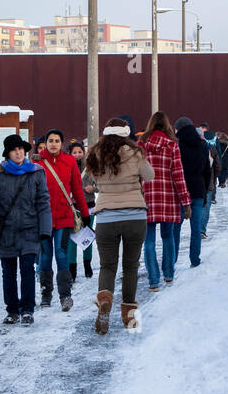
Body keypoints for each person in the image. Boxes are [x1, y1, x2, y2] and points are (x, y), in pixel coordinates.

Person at [86, 118, 154, 334]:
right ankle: (130, 320)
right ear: (126, 134)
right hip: (135, 216)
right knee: (131, 266)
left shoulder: (95, 154)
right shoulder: (136, 153)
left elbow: (89, 179)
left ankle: (105, 298)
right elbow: (150, 176)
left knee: (108, 266)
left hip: (106, 217)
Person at [0, 134, 51, 325]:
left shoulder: (37, 172)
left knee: (27, 268)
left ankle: (27, 309)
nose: (18, 153)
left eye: (21, 149)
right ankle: (12, 310)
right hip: (5, 231)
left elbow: (43, 202)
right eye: (14, 150)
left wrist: (45, 229)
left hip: (30, 229)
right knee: (8, 271)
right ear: (8, 154)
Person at [34, 128, 90, 311]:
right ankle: (46, 295)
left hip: (64, 217)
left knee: (61, 253)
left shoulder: (69, 161)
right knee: (44, 257)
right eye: (51, 140)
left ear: (61, 143)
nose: (53, 144)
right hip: (43, 218)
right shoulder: (37, 162)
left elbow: (77, 189)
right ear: (46, 142)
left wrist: (85, 214)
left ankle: (65, 296)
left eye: (57, 141)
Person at [138, 112, 190, 291]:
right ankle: (168, 275)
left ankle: (153, 280)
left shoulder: (141, 145)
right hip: (168, 199)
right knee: (168, 237)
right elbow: (178, 175)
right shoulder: (172, 145)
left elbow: (136, 175)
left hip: (146, 199)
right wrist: (186, 201)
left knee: (149, 241)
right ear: (167, 125)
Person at [174, 117, 212, 267]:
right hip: (197, 190)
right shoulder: (202, 146)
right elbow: (207, 171)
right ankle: (195, 260)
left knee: (175, 227)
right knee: (196, 228)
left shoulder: (177, 146)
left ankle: (173, 260)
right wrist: (205, 190)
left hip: (180, 191)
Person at [67, 140, 96, 278]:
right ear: (70, 154)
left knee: (87, 238)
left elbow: (99, 184)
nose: (77, 155)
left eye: (80, 152)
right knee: (72, 240)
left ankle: (87, 265)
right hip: (73, 209)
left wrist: (93, 188)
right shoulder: (66, 167)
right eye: (74, 152)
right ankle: (72, 269)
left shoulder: (91, 167)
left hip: (89, 206)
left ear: (83, 153)